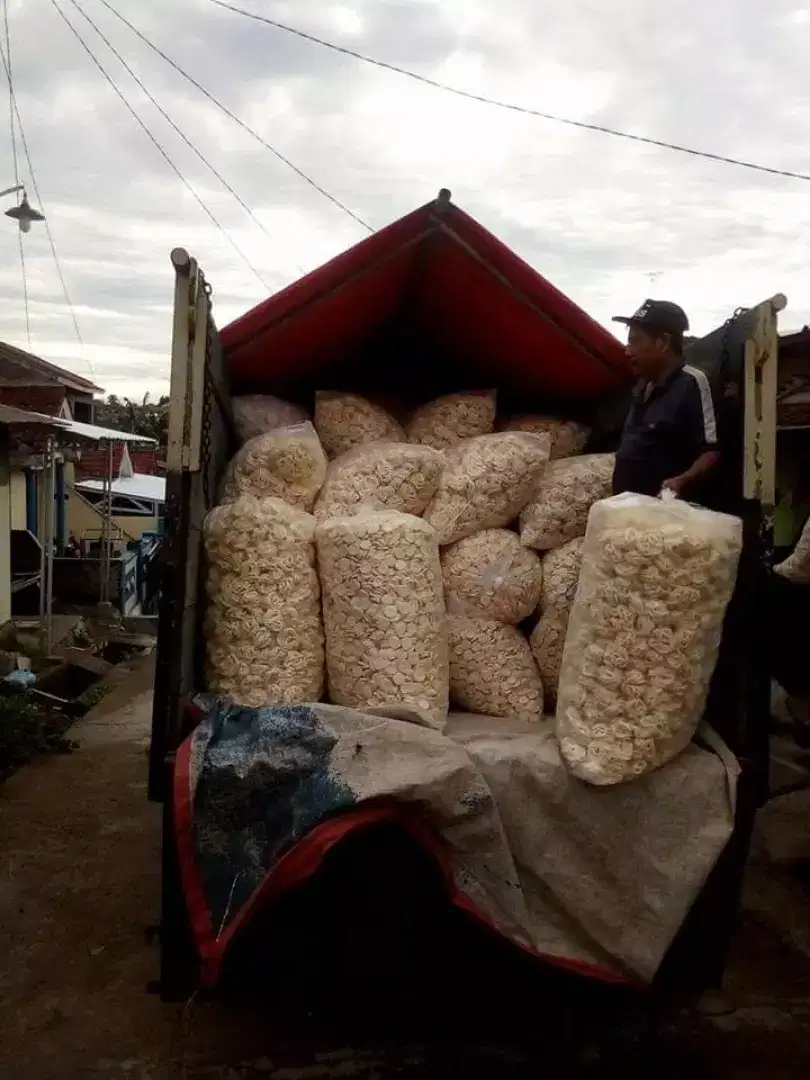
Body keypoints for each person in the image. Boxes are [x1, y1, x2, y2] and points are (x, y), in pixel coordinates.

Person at [611, 299, 721, 505]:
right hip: (628, 514)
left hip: (667, 519)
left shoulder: (692, 383)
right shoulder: (643, 387)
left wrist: (682, 480)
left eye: (635, 341)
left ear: (662, 342)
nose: (628, 351)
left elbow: (711, 452)